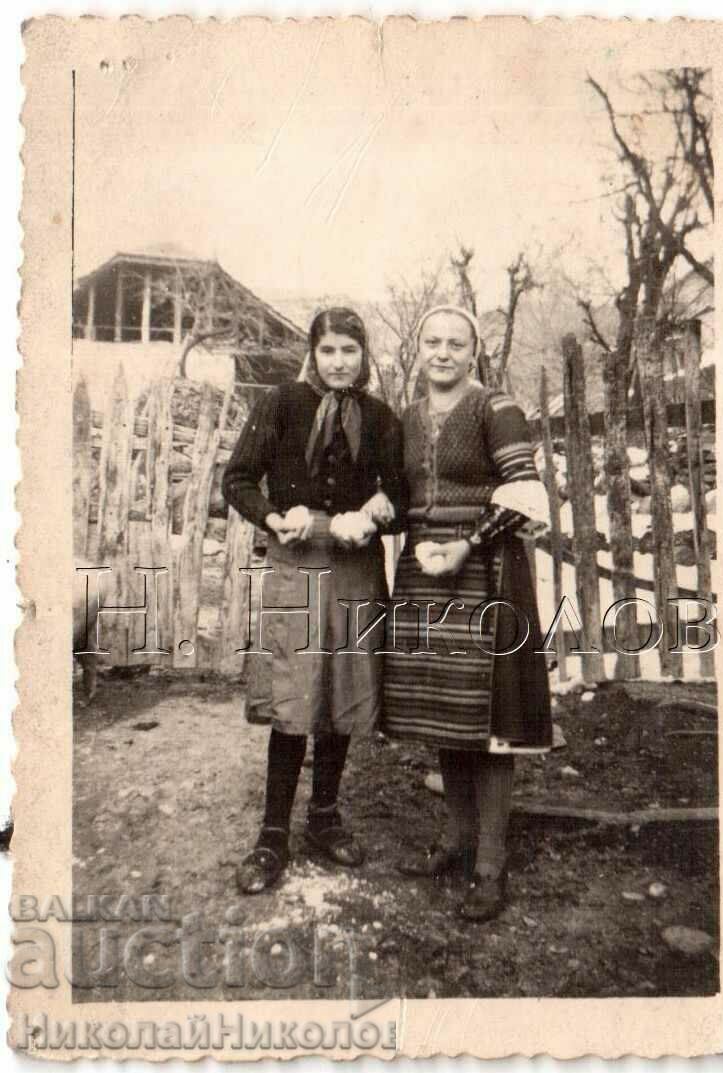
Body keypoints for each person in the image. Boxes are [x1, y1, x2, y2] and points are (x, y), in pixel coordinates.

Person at [223, 308, 404, 894]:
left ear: (364, 354)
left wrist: (374, 513)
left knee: (344, 691)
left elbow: (399, 487)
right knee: (296, 695)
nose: (339, 362)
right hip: (296, 563)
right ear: (313, 353)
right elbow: (238, 479)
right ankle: (272, 835)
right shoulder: (281, 403)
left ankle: (324, 818)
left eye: (350, 350)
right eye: (328, 350)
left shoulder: (380, 417)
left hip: (355, 567)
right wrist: (276, 516)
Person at [383, 305, 552, 923]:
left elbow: (523, 490)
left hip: (486, 571)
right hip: (422, 574)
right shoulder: (407, 418)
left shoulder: (495, 407)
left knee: (489, 718)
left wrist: (468, 545)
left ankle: (490, 862)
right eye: (433, 342)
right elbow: (404, 500)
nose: (444, 353)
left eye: (457, 343)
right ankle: (455, 841)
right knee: (441, 711)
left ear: (474, 350)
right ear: (419, 349)